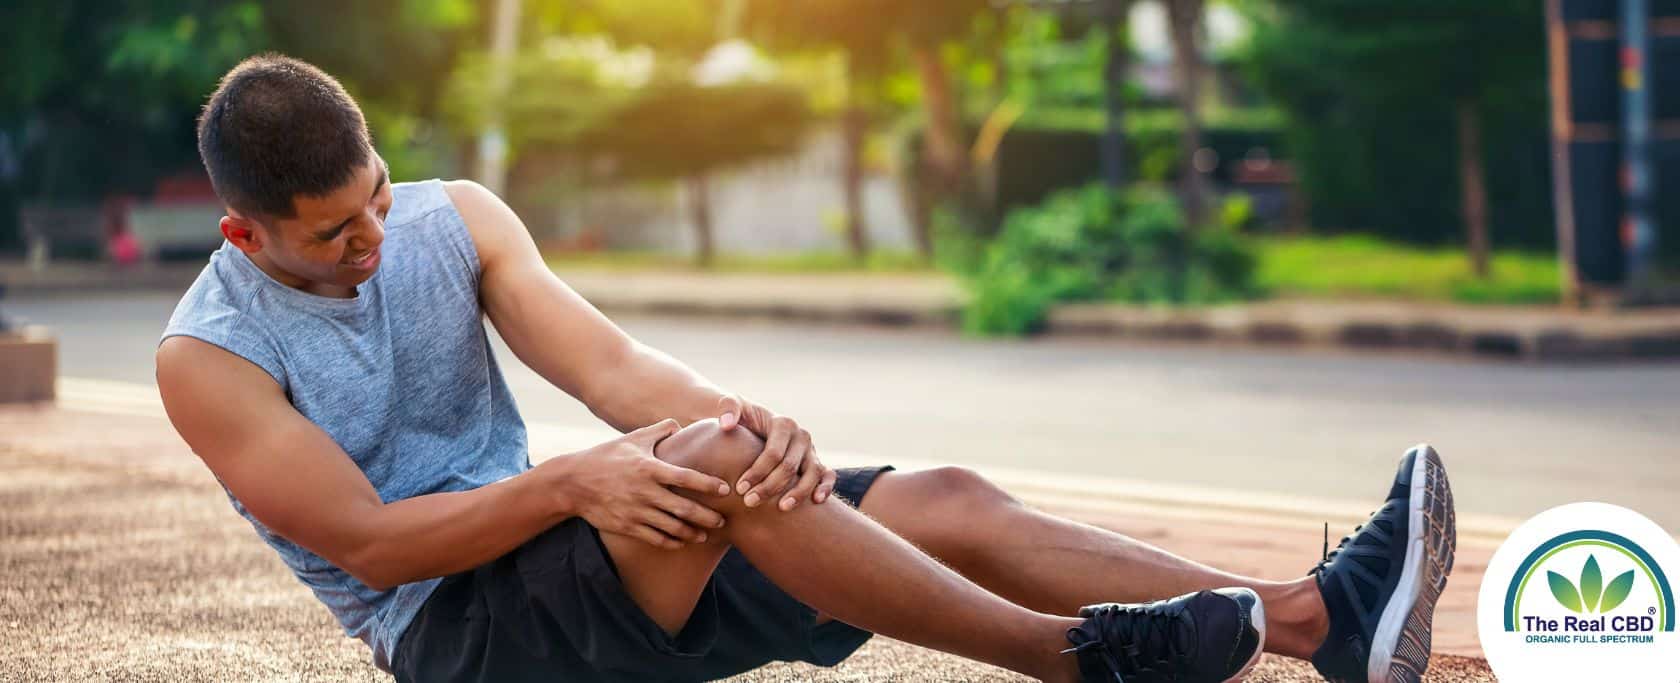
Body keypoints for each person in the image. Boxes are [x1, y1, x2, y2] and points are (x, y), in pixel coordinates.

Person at [156, 54, 1457, 683]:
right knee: (709, 471)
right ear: (245, 232)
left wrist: (749, 430)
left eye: (377, 195)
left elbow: (610, 370)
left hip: (599, 562)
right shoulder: (208, 358)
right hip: (463, 638)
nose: (374, 236)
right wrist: (574, 489)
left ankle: (1320, 622)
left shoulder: (458, 219)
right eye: (335, 232)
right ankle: (1082, 661)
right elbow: (378, 550)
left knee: (935, 496)